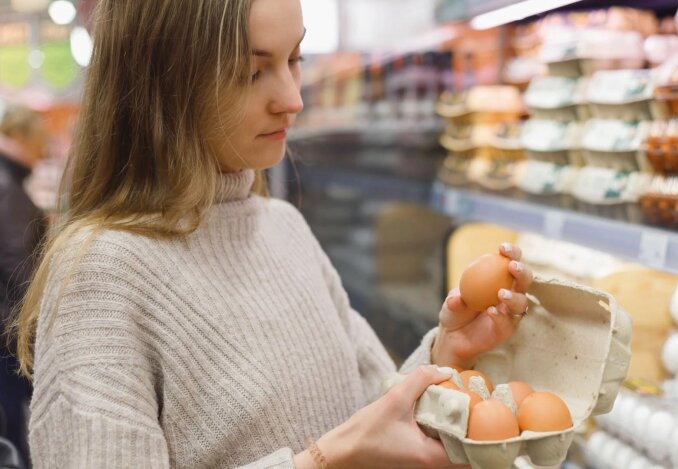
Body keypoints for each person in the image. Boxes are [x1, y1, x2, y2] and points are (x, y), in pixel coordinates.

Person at [14, 1, 534, 468]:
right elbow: (353, 443)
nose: (291, 99)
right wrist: (328, 458)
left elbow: (378, 409)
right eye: (251, 71)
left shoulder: (282, 226)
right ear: (163, 80)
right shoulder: (102, 275)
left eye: (295, 59)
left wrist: (446, 353)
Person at [0, 104, 47, 462]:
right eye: (38, 141)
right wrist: (34, 328)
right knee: (13, 422)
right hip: (7, 331)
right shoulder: (7, 185)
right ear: (20, 138)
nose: (42, 150)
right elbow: (17, 263)